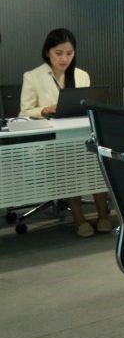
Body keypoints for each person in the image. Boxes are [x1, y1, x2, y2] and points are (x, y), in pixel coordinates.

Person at [20, 28, 112, 237]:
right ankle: (79, 218)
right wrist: (44, 109)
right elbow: (24, 112)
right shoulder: (33, 76)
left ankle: (103, 215)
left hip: (82, 134)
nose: (64, 59)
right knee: (67, 167)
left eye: (69, 53)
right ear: (47, 52)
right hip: (53, 141)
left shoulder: (81, 75)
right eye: (59, 53)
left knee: (97, 165)